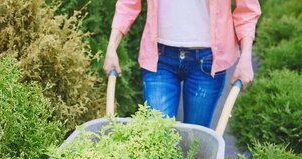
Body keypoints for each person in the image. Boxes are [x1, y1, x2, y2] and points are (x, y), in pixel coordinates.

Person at [104, 0, 261, 127]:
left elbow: (247, 11)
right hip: (159, 58)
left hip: (208, 61)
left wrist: (246, 56)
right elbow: (127, 4)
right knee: (157, 137)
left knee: (195, 144)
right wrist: (112, 47)